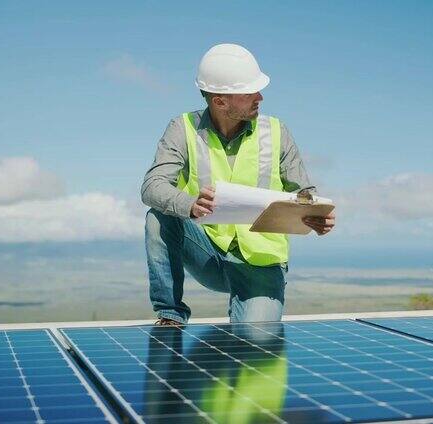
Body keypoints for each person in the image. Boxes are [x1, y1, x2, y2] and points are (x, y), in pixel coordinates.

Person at [141, 43, 335, 325]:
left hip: (260, 261)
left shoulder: (277, 132)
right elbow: (152, 186)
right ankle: (170, 314)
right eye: (249, 92)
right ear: (220, 101)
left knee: (256, 345)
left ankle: (242, 319)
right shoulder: (181, 128)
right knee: (158, 219)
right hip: (208, 253)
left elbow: (303, 192)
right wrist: (190, 204)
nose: (260, 97)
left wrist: (317, 214)